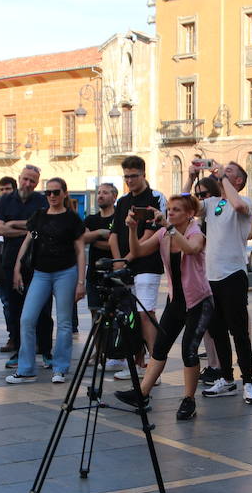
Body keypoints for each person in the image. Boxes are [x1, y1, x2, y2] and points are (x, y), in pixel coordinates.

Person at [114, 194, 212, 420]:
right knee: (159, 347)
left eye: (176, 210)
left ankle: (189, 400)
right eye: (169, 209)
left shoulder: (197, 234)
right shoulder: (163, 234)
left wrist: (168, 226)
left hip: (199, 301)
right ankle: (142, 394)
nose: (170, 213)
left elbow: (190, 249)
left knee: (189, 350)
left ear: (189, 214)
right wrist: (132, 228)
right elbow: (137, 251)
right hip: (176, 300)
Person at [184, 160, 252, 403]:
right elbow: (186, 207)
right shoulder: (213, 203)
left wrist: (220, 175)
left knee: (239, 332)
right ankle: (227, 379)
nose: (223, 173)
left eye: (230, 172)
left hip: (233, 275)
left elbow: (236, 204)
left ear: (238, 181)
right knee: (217, 333)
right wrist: (191, 177)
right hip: (211, 277)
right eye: (223, 171)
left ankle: (247, 381)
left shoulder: (245, 201)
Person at [6, 178, 86, 384]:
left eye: (56, 192)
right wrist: (17, 267)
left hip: (66, 272)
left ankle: (60, 368)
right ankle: (26, 369)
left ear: (65, 193)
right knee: (27, 318)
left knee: (65, 321)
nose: (52, 196)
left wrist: (81, 281)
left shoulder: (72, 219)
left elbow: (80, 250)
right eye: (48, 193)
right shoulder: (39, 217)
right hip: (41, 273)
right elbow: (27, 240)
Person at [112, 156, 168, 380]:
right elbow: (114, 235)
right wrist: (118, 262)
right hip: (125, 267)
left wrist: (124, 260)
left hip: (147, 266)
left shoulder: (155, 198)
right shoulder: (122, 202)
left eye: (134, 176)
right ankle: (136, 363)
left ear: (143, 174)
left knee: (146, 314)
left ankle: (154, 368)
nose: (130, 180)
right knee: (129, 316)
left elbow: (148, 240)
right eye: (126, 176)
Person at [0, 165, 51, 362]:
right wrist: (28, 228)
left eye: (32, 181)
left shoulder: (42, 200)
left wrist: (13, 224)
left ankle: (45, 350)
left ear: (37, 183)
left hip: (37, 261)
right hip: (10, 260)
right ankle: (19, 350)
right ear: (19, 178)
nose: (28, 184)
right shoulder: (5, 200)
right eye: (25, 179)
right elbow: (0, 228)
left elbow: (42, 228)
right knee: (14, 307)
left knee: (43, 309)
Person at [84, 181, 118, 343]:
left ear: (114, 196)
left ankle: (116, 352)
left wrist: (95, 239)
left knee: (115, 315)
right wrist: (100, 233)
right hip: (93, 275)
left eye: (105, 192)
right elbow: (82, 238)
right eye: (99, 192)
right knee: (95, 314)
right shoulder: (91, 220)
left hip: (115, 274)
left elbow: (118, 244)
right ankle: (99, 351)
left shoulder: (119, 218)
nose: (100, 195)